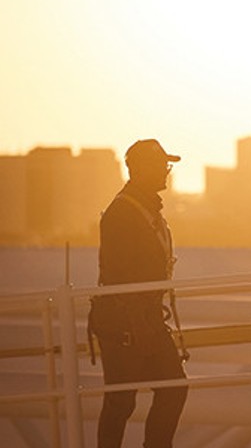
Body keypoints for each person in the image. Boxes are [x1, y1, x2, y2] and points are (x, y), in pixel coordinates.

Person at [88, 139, 188, 448]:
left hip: (144, 319)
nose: (166, 172)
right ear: (141, 168)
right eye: (162, 166)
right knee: (121, 401)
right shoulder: (123, 212)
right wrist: (140, 325)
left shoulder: (144, 208)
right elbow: (119, 274)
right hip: (126, 322)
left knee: (172, 388)